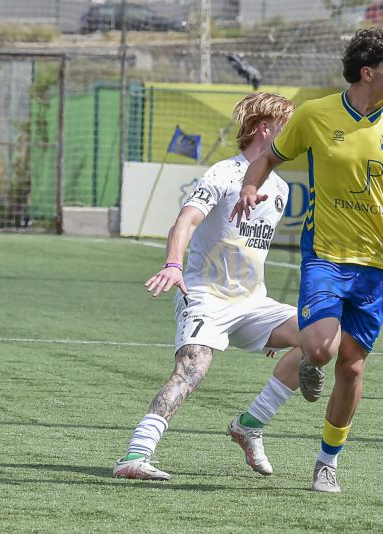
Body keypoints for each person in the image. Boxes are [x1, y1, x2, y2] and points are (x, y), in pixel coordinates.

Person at [230, 28, 383, 493]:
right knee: (322, 349)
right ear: (368, 73)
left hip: (378, 264)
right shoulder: (315, 114)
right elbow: (269, 158)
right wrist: (250, 185)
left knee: (351, 367)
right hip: (325, 254)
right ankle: (307, 363)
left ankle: (327, 461)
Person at [113, 92, 302, 481]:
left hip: (253, 302)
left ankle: (250, 423)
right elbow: (184, 222)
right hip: (204, 295)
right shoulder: (224, 173)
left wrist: (271, 330)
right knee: (193, 369)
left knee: (322, 337)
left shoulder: (280, 189)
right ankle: (135, 456)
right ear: (265, 128)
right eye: (289, 125)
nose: (296, 134)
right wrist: (173, 265)